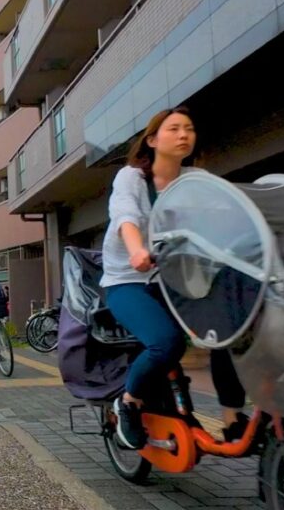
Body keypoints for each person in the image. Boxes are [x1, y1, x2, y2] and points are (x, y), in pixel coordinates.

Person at [101, 106, 248, 450]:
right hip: (127, 280)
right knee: (167, 343)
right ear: (152, 139)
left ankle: (232, 419)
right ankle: (129, 403)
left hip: (173, 278)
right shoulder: (131, 178)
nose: (184, 135)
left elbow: (219, 226)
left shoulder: (193, 183)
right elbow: (126, 217)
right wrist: (137, 249)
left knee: (226, 330)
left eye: (190, 129)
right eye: (174, 128)